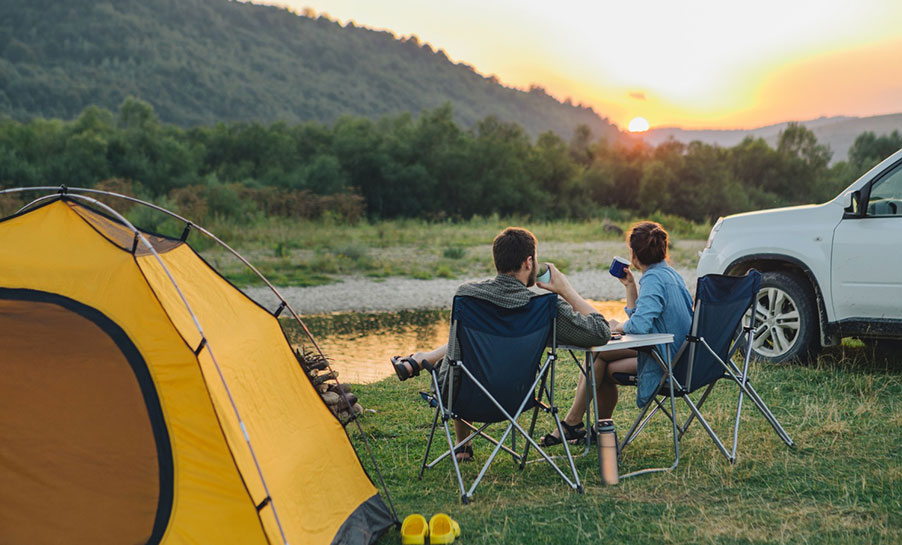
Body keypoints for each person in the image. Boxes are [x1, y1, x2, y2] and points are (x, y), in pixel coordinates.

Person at [390, 227, 610, 461]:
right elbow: (600, 332)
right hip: (518, 398)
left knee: (458, 356)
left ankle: (462, 444)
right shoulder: (544, 308)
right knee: (460, 351)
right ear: (528, 262)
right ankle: (421, 360)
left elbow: (456, 356)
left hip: (462, 398)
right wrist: (565, 289)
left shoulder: (468, 296)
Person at [540, 221, 693, 444]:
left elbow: (639, 327)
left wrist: (616, 326)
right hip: (678, 354)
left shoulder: (652, 279)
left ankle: (574, 424)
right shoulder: (671, 275)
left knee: (600, 361)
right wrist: (631, 287)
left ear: (632, 254)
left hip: (666, 361)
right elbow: (644, 319)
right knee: (600, 358)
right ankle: (588, 427)